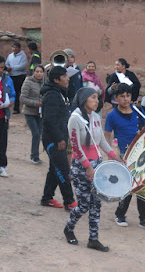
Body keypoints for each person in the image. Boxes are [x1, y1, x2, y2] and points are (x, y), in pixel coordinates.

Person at [64, 87, 123, 252]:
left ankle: (93, 239)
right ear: (84, 100)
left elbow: (102, 141)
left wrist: (114, 156)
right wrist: (88, 166)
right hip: (81, 166)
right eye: (93, 98)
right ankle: (69, 228)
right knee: (84, 204)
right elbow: (76, 146)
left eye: (97, 98)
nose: (97, 101)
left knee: (96, 203)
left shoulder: (95, 116)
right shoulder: (75, 118)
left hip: (97, 164)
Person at [104, 83, 145, 230]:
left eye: (128, 96)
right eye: (122, 96)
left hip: (141, 154)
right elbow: (107, 136)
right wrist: (110, 155)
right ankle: (120, 215)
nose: (126, 99)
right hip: (123, 155)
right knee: (126, 186)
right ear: (116, 98)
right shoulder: (111, 115)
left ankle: (144, 218)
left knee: (142, 184)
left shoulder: (137, 111)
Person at [40, 66, 77, 210]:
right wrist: (59, 138)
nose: (68, 78)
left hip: (60, 137)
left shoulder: (60, 93)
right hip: (52, 140)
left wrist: (65, 136)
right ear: (56, 80)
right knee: (62, 169)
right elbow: (50, 120)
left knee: (54, 169)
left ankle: (47, 197)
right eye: (65, 76)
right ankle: (69, 201)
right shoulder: (52, 95)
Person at [20, 65, 45, 164]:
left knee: (40, 134)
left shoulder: (45, 83)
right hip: (29, 112)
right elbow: (23, 98)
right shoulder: (28, 82)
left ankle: (37, 155)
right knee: (36, 133)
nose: (39, 74)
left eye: (41, 72)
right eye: (37, 71)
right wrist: (35, 103)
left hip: (40, 113)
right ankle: (34, 156)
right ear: (33, 72)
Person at [0, 56, 16, 177]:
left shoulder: (7, 79)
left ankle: (2, 166)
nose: (1, 70)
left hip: (3, 116)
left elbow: (12, 94)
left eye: (2, 67)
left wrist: (10, 101)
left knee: (2, 141)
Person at [5, 42, 27, 114]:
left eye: (16, 47)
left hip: (20, 76)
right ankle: (14, 107)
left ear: (19, 48)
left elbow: (23, 66)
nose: (14, 49)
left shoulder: (23, 56)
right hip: (11, 76)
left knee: (19, 91)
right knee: (13, 91)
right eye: (13, 47)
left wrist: (12, 68)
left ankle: (19, 108)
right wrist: (7, 68)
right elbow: (7, 63)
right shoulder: (10, 56)